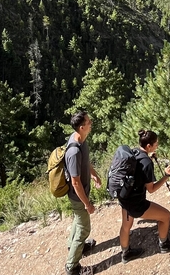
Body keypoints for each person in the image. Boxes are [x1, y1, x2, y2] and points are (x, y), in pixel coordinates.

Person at [118, 129, 170, 264]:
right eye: (156, 144)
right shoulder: (147, 163)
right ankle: (164, 245)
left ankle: (125, 253)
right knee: (165, 216)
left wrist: (149, 156)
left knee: (126, 226)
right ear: (149, 146)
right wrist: (166, 176)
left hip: (125, 197)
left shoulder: (134, 152)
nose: (157, 146)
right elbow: (151, 189)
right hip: (136, 202)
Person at [64, 111, 102, 275]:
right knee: (84, 228)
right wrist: (87, 204)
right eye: (88, 121)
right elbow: (75, 182)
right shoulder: (74, 152)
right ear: (82, 127)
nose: (91, 122)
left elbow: (85, 161)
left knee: (79, 221)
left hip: (80, 193)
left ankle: (73, 245)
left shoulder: (80, 139)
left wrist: (93, 173)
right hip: (78, 196)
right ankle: (72, 267)